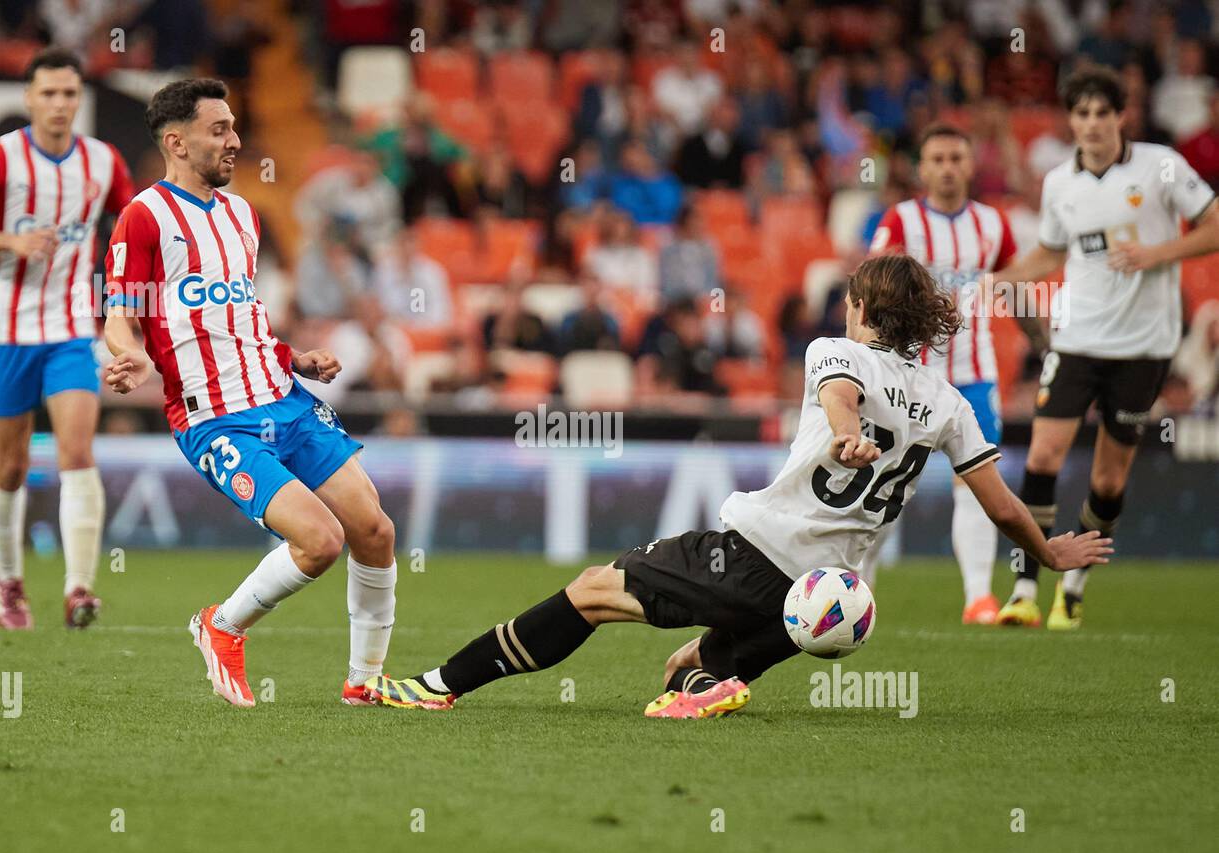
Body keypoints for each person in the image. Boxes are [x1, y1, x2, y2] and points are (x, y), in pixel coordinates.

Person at [363, 255, 1111, 717]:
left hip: (757, 550)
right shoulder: (947, 402)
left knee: (591, 591)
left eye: (852, 299)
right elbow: (1001, 503)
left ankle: (438, 684)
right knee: (692, 665)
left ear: (867, 308)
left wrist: (849, 432)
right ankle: (713, 679)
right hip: (819, 600)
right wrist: (1048, 555)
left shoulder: (835, 352)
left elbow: (842, 396)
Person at [101, 78, 398, 709]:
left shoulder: (243, 215)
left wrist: (294, 357)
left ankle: (365, 681)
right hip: (216, 420)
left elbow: (237, 314)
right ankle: (222, 626)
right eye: (220, 131)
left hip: (283, 396)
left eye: (235, 128)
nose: (236, 141)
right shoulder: (144, 216)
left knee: (374, 529)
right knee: (319, 541)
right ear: (176, 142)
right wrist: (126, 355)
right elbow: (122, 313)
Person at [992, 66, 1219, 629]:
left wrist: (1159, 254)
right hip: (1077, 341)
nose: (1091, 124)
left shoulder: (1161, 166)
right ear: (1070, 120)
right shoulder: (1058, 184)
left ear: (1122, 116)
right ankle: (1024, 587)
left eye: (1101, 112)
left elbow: (1216, 225)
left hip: (1145, 348)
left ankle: (1073, 586)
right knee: (1042, 457)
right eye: (1081, 113)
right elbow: (1051, 251)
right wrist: (1006, 279)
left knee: (1109, 480)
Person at [0, 47, 134, 630]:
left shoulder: (103, 162)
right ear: (28, 98)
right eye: (48, 93)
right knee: (11, 465)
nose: (59, 104)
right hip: (7, 329)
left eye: (69, 93)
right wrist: (10, 242)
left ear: (80, 98)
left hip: (73, 328)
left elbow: (130, 225)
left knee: (76, 451)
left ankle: (79, 589)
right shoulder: (0, 160)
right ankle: (9, 577)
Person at [869, 123, 1018, 624]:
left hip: (975, 376)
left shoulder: (994, 225)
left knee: (976, 482)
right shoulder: (901, 222)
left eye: (957, 157)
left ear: (971, 164)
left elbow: (1014, 285)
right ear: (922, 168)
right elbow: (872, 290)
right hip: (906, 376)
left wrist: (1043, 345)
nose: (948, 167)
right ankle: (858, 591)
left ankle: (978, 598)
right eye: (938, 159)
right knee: (880, 483)